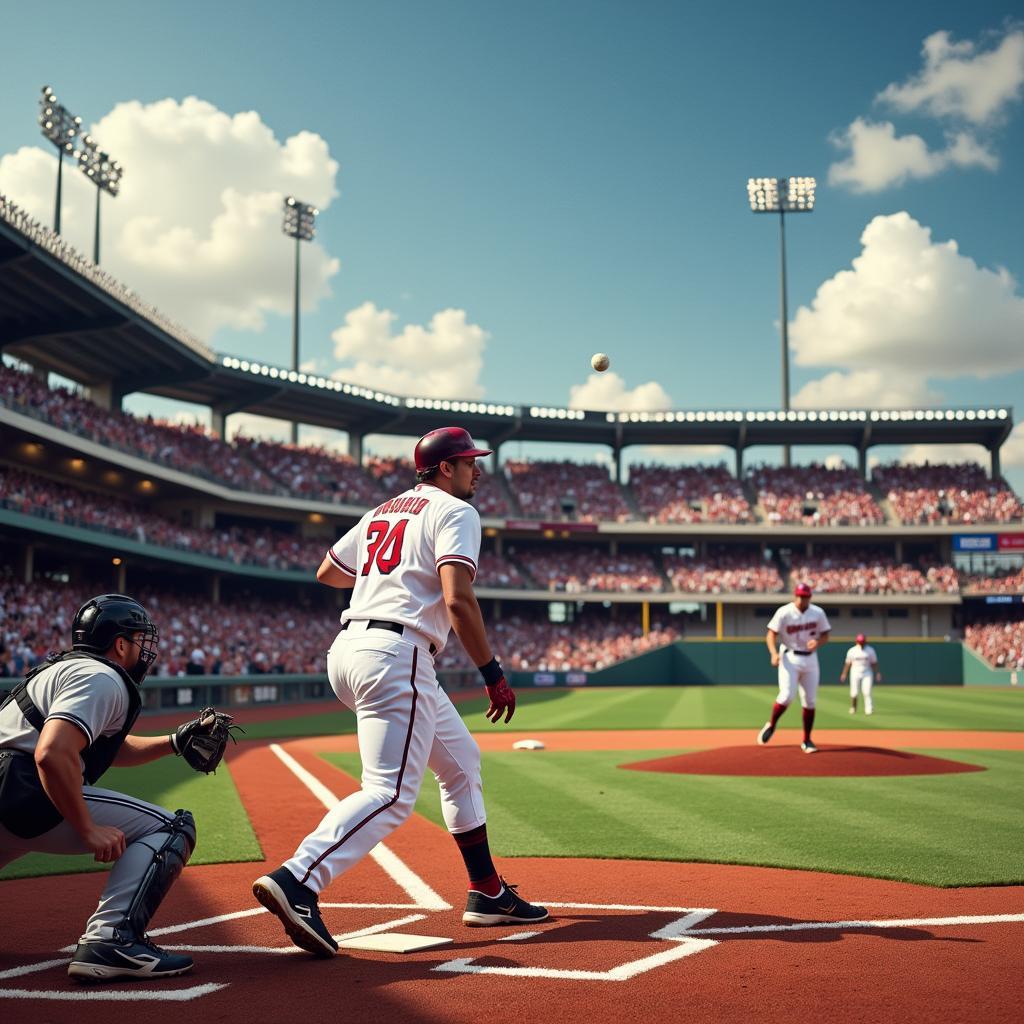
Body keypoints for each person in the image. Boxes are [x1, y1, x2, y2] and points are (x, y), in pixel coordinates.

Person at [253, 427, 548, 959]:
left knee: (461, 764)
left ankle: (487, 892)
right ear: (443, 469)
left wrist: (388, 576)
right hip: (397, 653)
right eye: (467, 462)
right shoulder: (456, 512)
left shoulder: (383, 510)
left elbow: (327, 572)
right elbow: (460, 602)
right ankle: (299, 879)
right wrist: (492, 672)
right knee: (389, 793)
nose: (476, 470)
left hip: (350, 648)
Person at [0, 594, 197, 982]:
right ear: (120, 644)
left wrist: (172, 743)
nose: (145, 649)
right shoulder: (102, 676)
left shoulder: (66, 669)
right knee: (171, 828)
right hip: (20, 789)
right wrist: (87, 828)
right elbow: (53, 753)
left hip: (7, 785)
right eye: (140, 640)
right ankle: (110, 940)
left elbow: (93, 746)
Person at [757, 582, 831, 754]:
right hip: (789, 656)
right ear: (794, 596)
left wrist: (818, 642)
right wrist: (773, 653)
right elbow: (771, 633)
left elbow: (826, 635)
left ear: (809, 597)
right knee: (787, 696)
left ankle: (807, 740)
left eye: (804, 596)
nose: (801, 599)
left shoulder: (818, 612)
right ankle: (772, 724)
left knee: (810, 701)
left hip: (811, 658)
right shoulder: (784, 611)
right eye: (798, 595)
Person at [840, 633, 881, 715]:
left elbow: (874, 663)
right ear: (857, 642)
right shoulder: (852, 650)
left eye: (862, 642)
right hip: (855, 672)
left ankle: (869, 709)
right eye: (860, 642)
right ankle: (853, 707)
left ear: (865, 642)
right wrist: (844, 674)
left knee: (867, 691)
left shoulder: (870, 650)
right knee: (854, 692)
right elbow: (848, 663)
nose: (861, 643)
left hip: (867, 672)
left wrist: (877, 673)